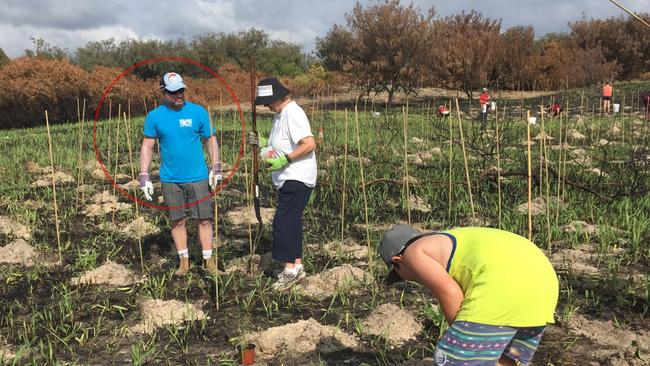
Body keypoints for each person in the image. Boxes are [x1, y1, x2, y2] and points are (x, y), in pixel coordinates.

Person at [380, 224, 558, 366]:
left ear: (398, 262)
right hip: (544, 286)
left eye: (398, 276)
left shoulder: (413, 253)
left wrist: (459, 338)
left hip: (503, 287)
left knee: (453, 357)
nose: (406, 280)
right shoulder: (454, 239)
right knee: (501, 359)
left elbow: (450, 293)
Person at [139, 72, 222, 276]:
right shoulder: (155, 117)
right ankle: (184, 261)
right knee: (177, 220)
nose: (178, 95)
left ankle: (208, 260)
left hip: (198, 176)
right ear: (163, 92)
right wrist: (144, 176)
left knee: (204, 219)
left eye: (181, 91)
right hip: (170, 179)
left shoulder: (198, 112)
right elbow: (147, 147)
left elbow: (210, 140)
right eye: (173, 92)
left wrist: (216, 166)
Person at [248, 77, 317, 291]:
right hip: (287, 177)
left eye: (268, 101)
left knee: (283, 222)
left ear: (279, 97)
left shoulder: (293, 113)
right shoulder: (280, 115)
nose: (267, 106)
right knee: (292, 221)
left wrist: (285, 160)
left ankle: (289, 271)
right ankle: (296, 266)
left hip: (296, 177)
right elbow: (279, 147)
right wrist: (262, 146)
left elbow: (309, 144)